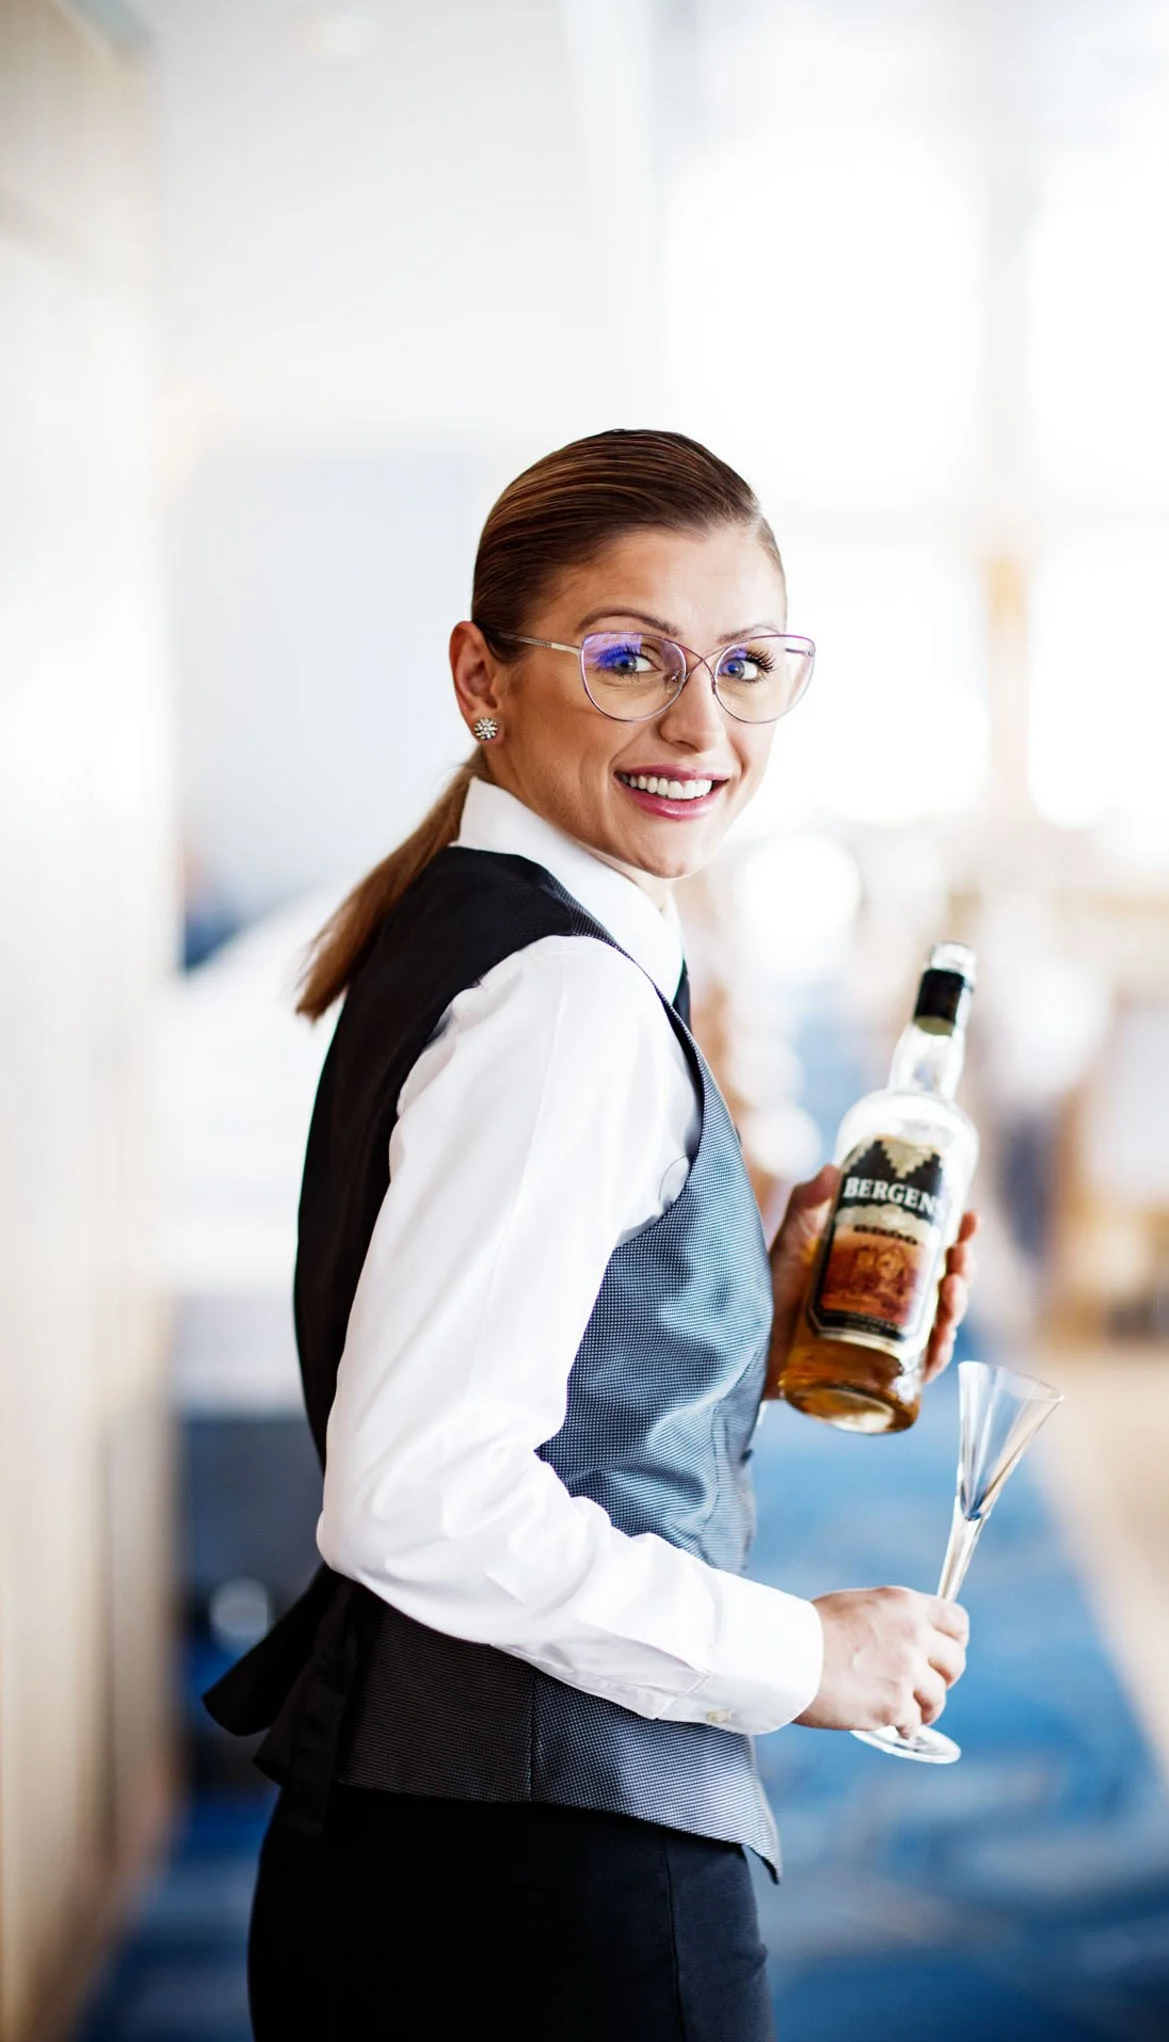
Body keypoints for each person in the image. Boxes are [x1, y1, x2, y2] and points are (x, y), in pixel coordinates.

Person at [208, 429, 977, 2042]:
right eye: (629, 659)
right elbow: (417, 1498)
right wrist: (798, 1657)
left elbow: (510, 1374)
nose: (702, 725)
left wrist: (735, 1325)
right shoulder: (564, 999)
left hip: (438, 1856)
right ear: (483, 677)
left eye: (749, 665)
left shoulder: (497, 925)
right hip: (542, 1895)